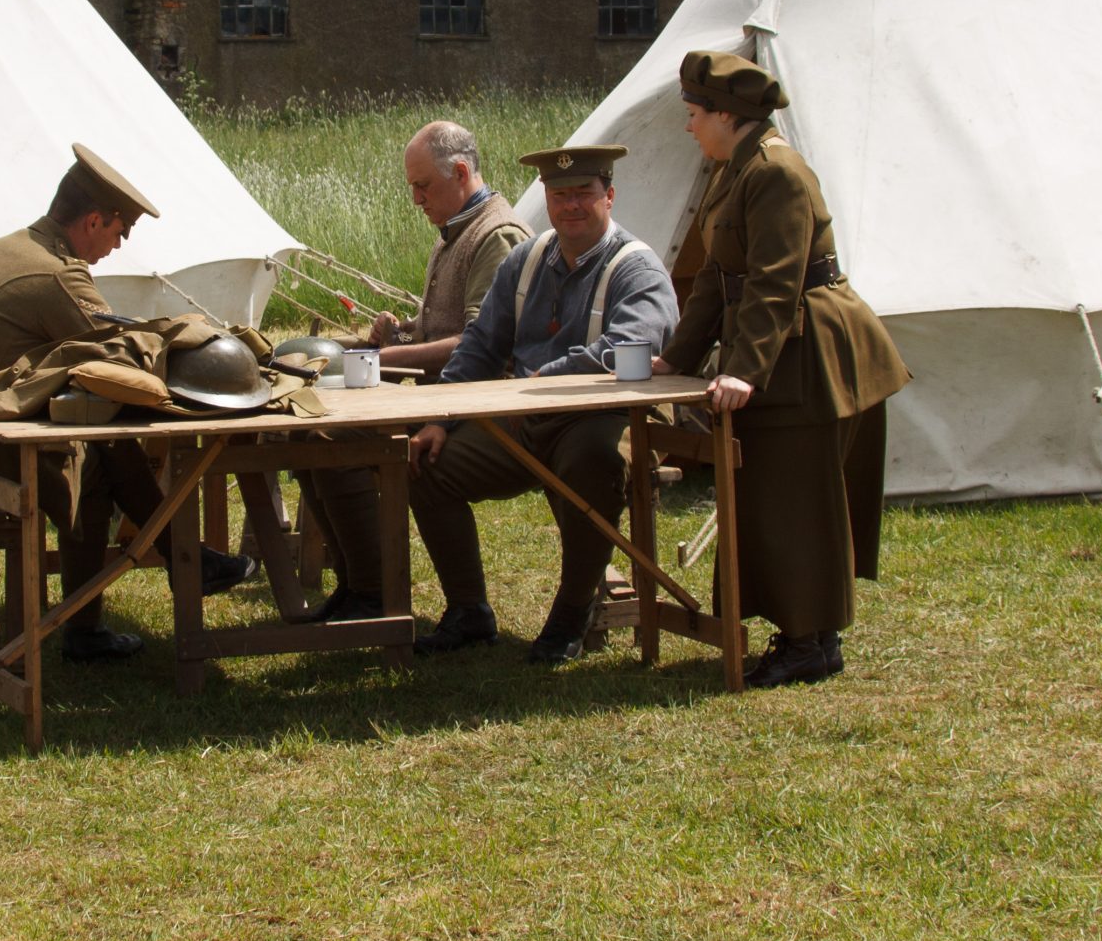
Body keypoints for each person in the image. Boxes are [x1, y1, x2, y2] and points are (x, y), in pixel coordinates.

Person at [0, 143, 256, 661]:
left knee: (97, 451)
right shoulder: (58, 273)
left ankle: (167, 570)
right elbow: (116, 359)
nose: (117, 246)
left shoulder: (9, 248)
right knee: (99, 458)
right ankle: (147, 585)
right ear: (95, 221)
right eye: (119, 233)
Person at [655, 50, 909, 689]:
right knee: (775, 500)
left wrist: (744, 370)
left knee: (798, 501)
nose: (689, 127)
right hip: (783, 354)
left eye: (693, 114)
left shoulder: (776, 174)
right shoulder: (733, 170)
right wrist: (678, 359)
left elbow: (775, 280)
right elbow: (717, 277)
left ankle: (810, 642)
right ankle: (806, 637)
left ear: (725, 114)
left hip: (813, 353)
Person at [406, 143, 678, 662]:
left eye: (583, 194)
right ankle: (469, 611)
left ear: (610, 196)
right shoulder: (526, 260)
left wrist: (540, 379)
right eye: (560, 196)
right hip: (530, 415)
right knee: (426, 462)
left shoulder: (637, 269)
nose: (571, 206)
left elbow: (628, 349)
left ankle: (571, 616)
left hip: (609, 416)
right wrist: (441, 417)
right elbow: (479, 346)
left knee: (592, 462)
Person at [296, 120, 530, 623]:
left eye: (423, 187)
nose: (417, 200)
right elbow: (440, 328)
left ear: (462, 171)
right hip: (435, 399)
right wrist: (400, 333)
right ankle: (360, 583)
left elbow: (480, 344)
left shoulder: (497, 235)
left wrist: (379, 360)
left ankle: (377, 593)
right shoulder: (456, 231)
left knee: (342, 447)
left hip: (478, 404)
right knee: (312, 439)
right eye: (413, 188)